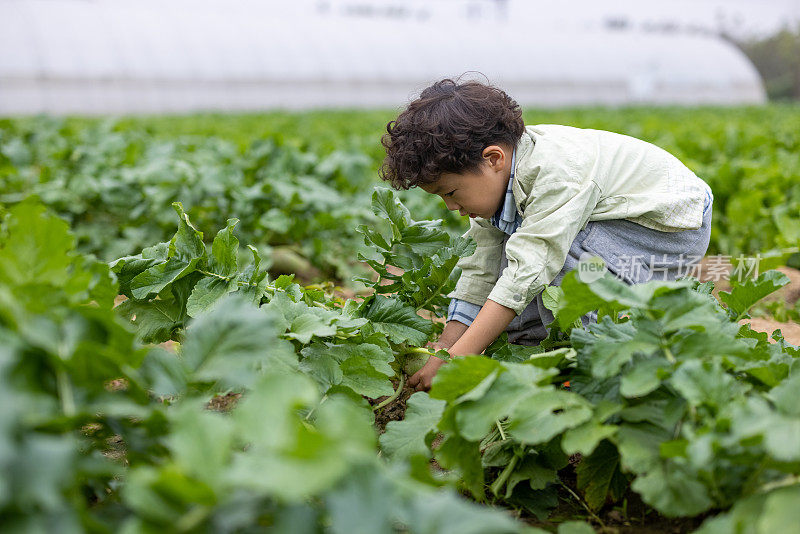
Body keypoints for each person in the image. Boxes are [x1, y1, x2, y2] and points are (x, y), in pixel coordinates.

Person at [379, 78, 713, 391]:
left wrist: (458, 359)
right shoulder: (494, 187)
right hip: (616, 220)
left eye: (451, 192)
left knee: (549, 262)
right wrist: (448, 345)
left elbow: (531, 268)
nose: (451, 206)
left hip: (665, 226)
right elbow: (482, 269)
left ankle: (596, 364)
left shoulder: (556, 173)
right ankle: (534, 350)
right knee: (509, 275)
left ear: (493, 159)